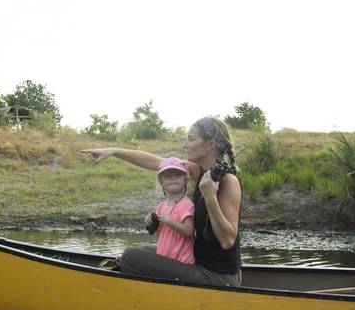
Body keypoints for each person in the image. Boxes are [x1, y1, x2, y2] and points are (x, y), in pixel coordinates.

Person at [81, 116, 242, 287]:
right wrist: (113, 151)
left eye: (191, 139)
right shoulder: (200, 171)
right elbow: (157, 163)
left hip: (218, 277)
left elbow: (227, 241)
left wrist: (209, 197)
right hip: (198, 260)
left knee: (131, 257)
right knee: (142, 251)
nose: (185, 145)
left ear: (210, 144)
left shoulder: (228, 182)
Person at [146, 157, 195, 265]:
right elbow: (160, 231)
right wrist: (151, 221)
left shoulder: (187, 205)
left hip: (181, 260)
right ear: (161, 181)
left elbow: (189, 232)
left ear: (186, 180)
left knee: (133, 256)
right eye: (167, 176)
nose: (173, 178)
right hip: (165, 256)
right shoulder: (162, 205)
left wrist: (169, 221)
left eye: (178, 175)